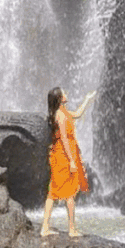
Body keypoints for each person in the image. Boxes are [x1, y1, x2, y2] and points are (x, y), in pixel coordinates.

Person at [40, 87, 97, 237]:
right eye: (64, 93)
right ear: (60, 98)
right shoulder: (61, 115)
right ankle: (72, 229)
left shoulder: (62, 112)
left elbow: (77, 114)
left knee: (53, 192)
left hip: (60, 154)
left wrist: (87, 99)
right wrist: (72, 160)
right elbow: (64, 139)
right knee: (70, 192)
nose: (67, 94)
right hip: (64, 156)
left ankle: (45, 227)